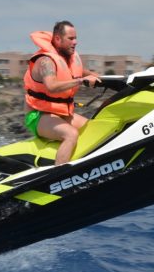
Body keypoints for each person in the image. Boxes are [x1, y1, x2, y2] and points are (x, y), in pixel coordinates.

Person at [23, 20, 100, 165]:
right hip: (38, 116)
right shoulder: (46, 61)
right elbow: (51, 86)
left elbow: (81, 72)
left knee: (93, 129)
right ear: (58, 39)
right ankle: (60, 177)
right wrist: (81, 81)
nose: (75, 42)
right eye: (71, 38)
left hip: (61, 113)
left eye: (76, 38)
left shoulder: (67, 58)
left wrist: (102, 78)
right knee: (70, 134)